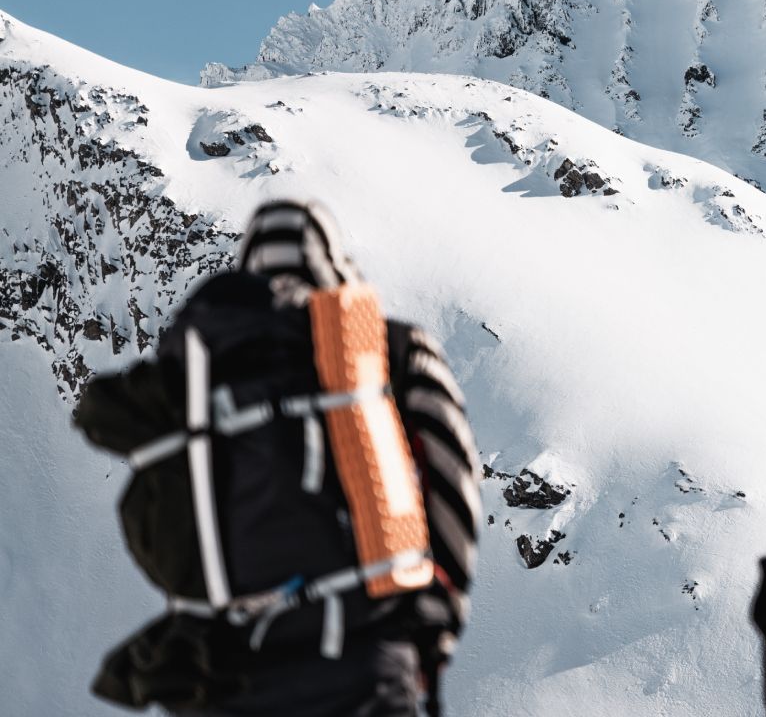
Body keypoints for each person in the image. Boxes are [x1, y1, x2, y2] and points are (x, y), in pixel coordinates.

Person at [77, 200, 479, 717]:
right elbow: (453, 481)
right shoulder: (387, 347)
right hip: (364, 660)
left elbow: (163, 516)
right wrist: (432, 631)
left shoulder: (193, 372)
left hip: (227, 675)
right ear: (334, 266)